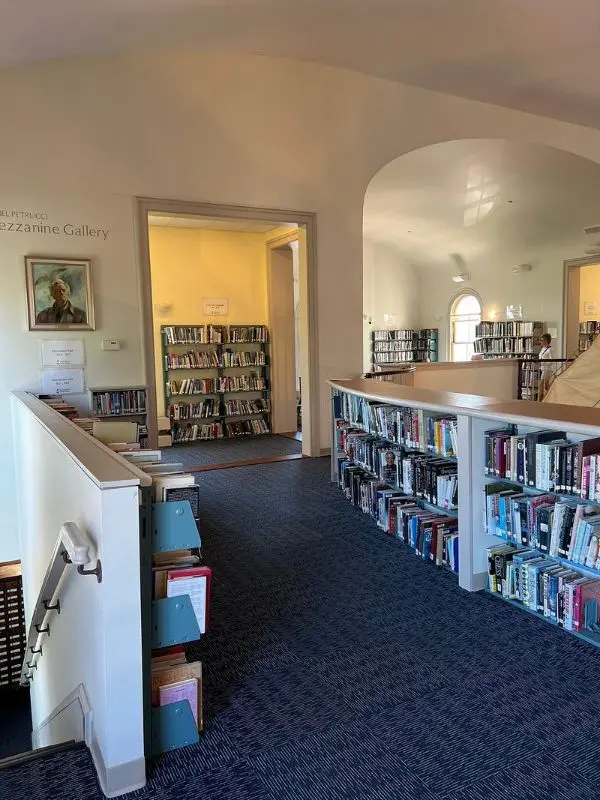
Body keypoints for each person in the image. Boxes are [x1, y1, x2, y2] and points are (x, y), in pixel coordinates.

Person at [538, 333, 554, 400]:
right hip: (542, 369)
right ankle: (544, 399)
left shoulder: (550, 349)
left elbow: (552, 360)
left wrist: (544, 363)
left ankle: (540, 400)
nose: (540, 342)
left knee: (542, 385)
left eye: (542, 340)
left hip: (547, 369)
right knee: (545, 386)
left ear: (546, 341)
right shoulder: (543, 349)